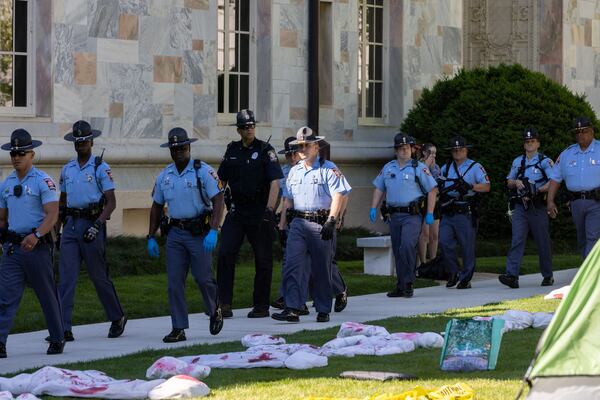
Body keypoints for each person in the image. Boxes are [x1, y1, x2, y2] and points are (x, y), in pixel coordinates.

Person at [147, 127, 224, 342]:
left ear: (188, 147)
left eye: (182, 147)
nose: (178, 151)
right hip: (175, 235)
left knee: (203, 277)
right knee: (174, 282)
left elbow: (219, 199)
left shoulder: (202, 171)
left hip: (199, 233)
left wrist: (214, 231)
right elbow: (156, 206)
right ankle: (178, 327)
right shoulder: (165, 175)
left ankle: (214, 308)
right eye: (174, 148)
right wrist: (150, 236)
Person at [56, 120, 126, 342]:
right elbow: (62, 202)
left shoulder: (100, 167)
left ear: (91, 141)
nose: (81, 144)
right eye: (77, 141)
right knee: (66, 278)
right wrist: (57, 232)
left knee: (99, 277)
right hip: (71, 226)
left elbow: (111, 202)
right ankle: (63, 327)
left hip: (92, 224)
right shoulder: (67, 169)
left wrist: (98, 224)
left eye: (84, 141)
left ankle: (117, 317)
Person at [272, 127, 351, 323]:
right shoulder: (294, 172)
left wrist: (333, 220)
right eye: (299, 146)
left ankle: (323, 309)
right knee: (292, 265)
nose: (302, 149)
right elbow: (288, 200)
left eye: (306, 145)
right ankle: (292, 308)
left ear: (316, 146)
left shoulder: (328, 168)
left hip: (320, 223)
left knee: (321, 269)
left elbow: (339, 195)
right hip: (298, 223)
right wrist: (282, 225)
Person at [0, 129, 64, 358]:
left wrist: (36, 235)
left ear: (32, 155)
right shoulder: (5, 184)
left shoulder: (43, 181)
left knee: (47, 295)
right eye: (13, 153)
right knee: (5, 297)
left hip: (38, 247)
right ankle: (0, 342)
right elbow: (2, 218)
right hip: (13, 249)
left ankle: (57, 338)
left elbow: (52, 214)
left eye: (22, 153)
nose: (16, 157)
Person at [217, 109, 283, 318]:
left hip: (259, 211)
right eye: (245, 127)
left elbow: (275, 183)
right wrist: (215, 207)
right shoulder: (232, 150)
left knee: (263, 259)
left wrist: (270, 211)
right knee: (226, 253)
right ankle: (224, 303)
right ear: (238, 130)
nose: (250, 130)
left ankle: (261, 306)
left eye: (252, 126)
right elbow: (221, 181)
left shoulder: (265, 150)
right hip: (237, 211)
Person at [369, 133, 438, 297]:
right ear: (396, 150)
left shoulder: (418, 167)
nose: (404, 151)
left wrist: (429, 213)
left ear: (412, 149)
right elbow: (379, 188)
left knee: (407, 246)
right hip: (394, 215)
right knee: (398, 250)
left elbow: (432, 190)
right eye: (401, 148)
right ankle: (401, 285)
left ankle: (408, 282)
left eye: (407, 148)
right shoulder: (388, 167)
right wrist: (373, 207)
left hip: (412, 215)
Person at [499, 128, 554, 288]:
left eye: (532, 141)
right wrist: (516, 182)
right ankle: (511, 276)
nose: (529, 144)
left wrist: (537, 190)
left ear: (538, 143)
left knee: (542, 241)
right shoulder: (518, 161)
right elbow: (509, 180)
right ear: (524, 144)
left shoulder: (545, 161)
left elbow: (553, 181)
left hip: (537, 206)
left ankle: (547, 275)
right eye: (527, 141)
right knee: (517, 240)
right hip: (520, 206)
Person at [438, 136, 490, 289]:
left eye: (460, 149)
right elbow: (439, 185)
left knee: (467, 246)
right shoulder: (445, 167)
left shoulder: (475, 167)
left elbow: (487, 186)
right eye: (454, 150)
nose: (457, 152)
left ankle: (465, 278)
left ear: (466, 150)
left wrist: (470, 186)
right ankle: (453, 272)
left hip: (465, 211)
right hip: (448, 211)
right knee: (444, 242)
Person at [547, 116, 600, 258]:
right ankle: (588, 268)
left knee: (592, 238)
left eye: (584, 131)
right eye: (577, 132)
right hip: (576, 203)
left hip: (596, 202)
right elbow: (555, 178)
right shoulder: (567, 153)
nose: (580, 135)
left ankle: (589, 276)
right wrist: (550, 201)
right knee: (582, 240)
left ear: (592, 131)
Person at [417, 143, 441, 266]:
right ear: (425, 153)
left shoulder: (436, 167)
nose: (433, 155)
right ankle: (422, 263)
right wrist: (426, 166)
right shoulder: (418, 165)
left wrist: (431, 167)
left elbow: (437, 184)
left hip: (434, 202)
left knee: (434, 234)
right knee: (424, 234)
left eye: (435, 153)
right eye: (431, 152)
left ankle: (433, 261)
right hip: (423, 203)